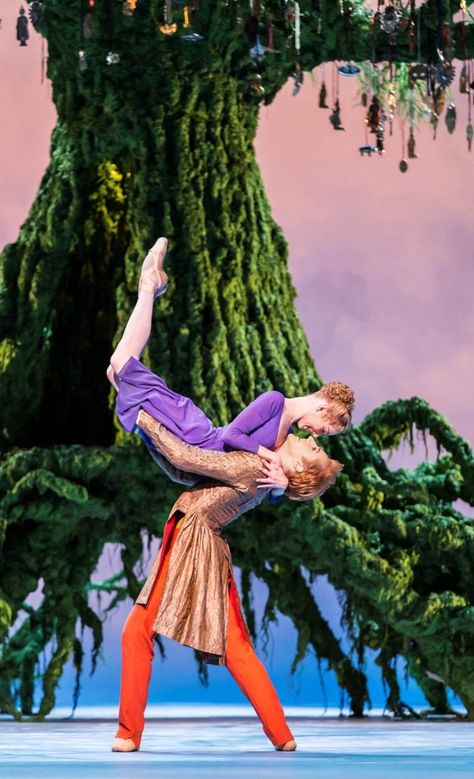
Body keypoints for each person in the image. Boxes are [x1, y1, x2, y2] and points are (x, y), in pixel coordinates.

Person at [112, 409, 343, 755]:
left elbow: (185, 456)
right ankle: (281, 734)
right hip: (205, 544)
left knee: (136, 631)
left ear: (295, 469)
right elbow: (182, 471)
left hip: (192, 540)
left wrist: (141, 415)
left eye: (313, 451)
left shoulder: (255, 468)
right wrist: (146, 432)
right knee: (234, 647)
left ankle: (129, 733)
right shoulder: (264, 474)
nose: (311, 440)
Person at [106, 237, 355, 475]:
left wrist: (278, 482)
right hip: (196, 435)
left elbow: (275, 484)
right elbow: (231, 436)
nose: (316, 435)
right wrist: (269, 455)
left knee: (117, 374)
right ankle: (149, 287)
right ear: (322, 408)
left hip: (201, 449)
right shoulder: (275, 401)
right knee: (120, 364)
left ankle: (151, 287)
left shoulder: (286, 429)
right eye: (323, 429)